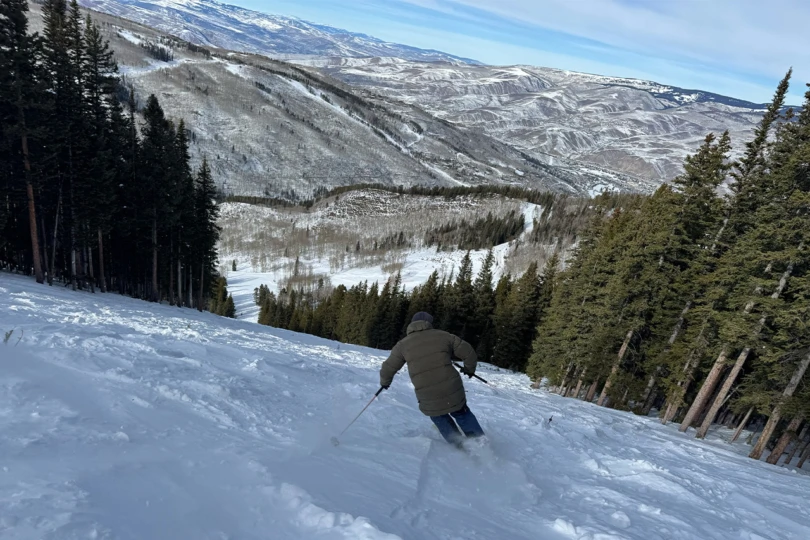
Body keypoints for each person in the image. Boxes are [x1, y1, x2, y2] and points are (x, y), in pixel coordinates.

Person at [380, 311, 485, 446]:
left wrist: (385, 383)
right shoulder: (444, 336)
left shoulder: (402, 345)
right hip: (451, 387)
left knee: (438, 414)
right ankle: (479, 444)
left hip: (427, 392)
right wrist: (469, 370)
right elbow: (469, 353)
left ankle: (459, 445)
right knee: (461, 412)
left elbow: (388, 368)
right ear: (429, 323)